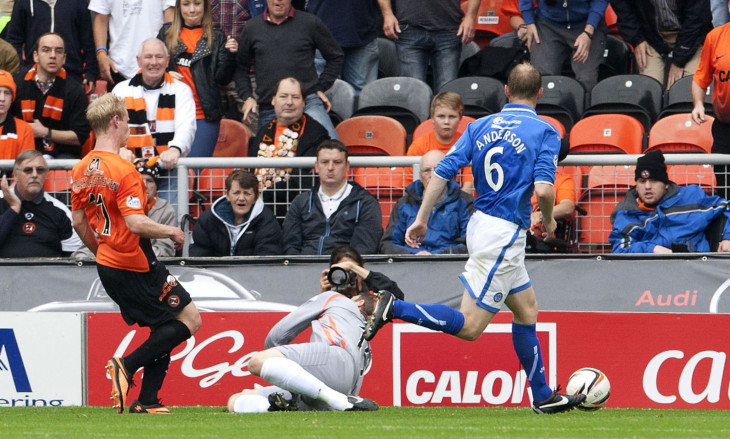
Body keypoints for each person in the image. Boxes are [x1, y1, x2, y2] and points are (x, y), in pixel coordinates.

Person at [363, 63, 586, 414]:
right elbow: (544, 188)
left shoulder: (479, 126)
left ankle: (543, 395)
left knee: (527, 310)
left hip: (480, 222)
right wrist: (548, 221)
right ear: (540, 94)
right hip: (503, 235)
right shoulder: (546, 130)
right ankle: (395, 307)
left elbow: (443, 171)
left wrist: (421, 219)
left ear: (506, 92)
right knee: (469, 327)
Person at [70, 93, 201, 414]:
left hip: (108, 264)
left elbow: (78, 221)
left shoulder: (81, 168)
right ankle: (125, 366)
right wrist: (170, 230)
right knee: (190, 320)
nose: (129, 125)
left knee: (164, 326)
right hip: (135, 262)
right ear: (115, 121)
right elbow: (135, 222)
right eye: (127, 119)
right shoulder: (125, 171)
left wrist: (102, 250)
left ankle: (147, 400)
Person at [227, 245, 398, 413]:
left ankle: (335, 399)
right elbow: (394, 299)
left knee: (257, 362)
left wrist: (279, 363)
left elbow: (276, 337)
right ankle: (273, 407)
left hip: (334, 360)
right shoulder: (366, 332)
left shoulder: (335, 298)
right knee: (236, 400)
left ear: (359, 302)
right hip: (344, 388)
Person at [234, 0, 343, 140]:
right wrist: (247, 97)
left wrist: (320, 87)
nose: (278, 1)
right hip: (270, 106)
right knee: (265, 159)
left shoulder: (310, 23)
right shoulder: (251, 28)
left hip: (307, 102)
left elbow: (335, 57)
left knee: (331, 149)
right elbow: (240, 68)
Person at [112, 38, 196, 210]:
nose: (153, 62)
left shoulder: (181, 90)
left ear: (167, 61)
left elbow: (186, 126)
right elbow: (112, 128)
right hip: (130, 168)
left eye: (159, 57)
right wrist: (118, 148)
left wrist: (176, 149)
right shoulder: (120, 90)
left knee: (170, 219)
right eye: (148, 57)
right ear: (139, 61)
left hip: (168, 168)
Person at [158, 0, 238, 158]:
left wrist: (230, 55)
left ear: (205, 7)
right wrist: (165, 74)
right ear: (179, 7)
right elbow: (152, 66)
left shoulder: (217, 37)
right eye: (186, 4)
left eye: (197, 4)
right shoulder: (166, 33)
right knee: (167, 169)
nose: (192, 10)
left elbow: (223, 79)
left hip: (203, 116)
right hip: (169, 114)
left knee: (193, 173)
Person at [609, 150, 730, 253]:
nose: (647, 187)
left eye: (654, 181)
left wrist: (728, 238)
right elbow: (620, 249)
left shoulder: (692, 197)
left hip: (697, 268)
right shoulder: (626, 213)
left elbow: (727, 207)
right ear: (636, 185)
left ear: (666, 184)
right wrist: (653, 249)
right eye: (642, 181)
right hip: (650, 272)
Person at [282, 139, 382, 256]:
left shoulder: (365, 203)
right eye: (324, 162)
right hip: (303, 269)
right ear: (316, 167)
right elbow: (290, 245)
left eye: (337, 162)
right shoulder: (301, 202)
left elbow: (364, 248)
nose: (330, 167)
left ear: (347, 166)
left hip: (346, 269)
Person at [71, 158, 179, 259]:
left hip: (147, 267)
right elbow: (91, 242)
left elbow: (165, 250)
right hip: (107, 261)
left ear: (157, 187)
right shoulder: (110, 204)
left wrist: (128, 257)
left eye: (150, 181)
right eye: (139, 179)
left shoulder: (166, 211)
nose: (144, 185)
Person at [253, 77, 329, 220]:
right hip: (259, 211)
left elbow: (306, 183)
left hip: (296, 213)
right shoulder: (263, 131)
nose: (289, 102)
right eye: (283, 96)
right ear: (273, 100)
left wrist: (265, 195)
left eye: (295, 97)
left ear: (304, 102)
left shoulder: (316, 134)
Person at [11, 33, 91, 160]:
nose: (53, 56)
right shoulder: (16, 85)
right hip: (21, 151)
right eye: (46, 50)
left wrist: (45, 133)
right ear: (35, 56)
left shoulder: (76, 91)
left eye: (58, 51)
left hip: (62, 155)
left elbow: (80, 136)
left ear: (64, 58)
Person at [380, 150, 474, 255]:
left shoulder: (466, 203)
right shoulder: (404, 204)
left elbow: (470, 244)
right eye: (426, 170)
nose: (433, 174)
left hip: (448, 264)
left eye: (438, 169)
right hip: (411, 265)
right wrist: (413, 255)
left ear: (449, 173)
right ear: (420, 176)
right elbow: (388, 244)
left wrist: (438, 256)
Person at [377, 0, 480, 92]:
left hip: (449, 29)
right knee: (414, 90)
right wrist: (387, 14)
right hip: (409, 28)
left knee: (447, 92)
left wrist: (470, 18)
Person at [611, 0, 712, 90]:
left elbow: (697, 19)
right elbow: (621, 7)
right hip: (651, 37)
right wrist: (637, 39)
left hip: (691, 38)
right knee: (649, 88)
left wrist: (678, 61)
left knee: (689, 88)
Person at [0, 149, 81, 257]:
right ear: (15, 175)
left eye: (40, 170)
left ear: (46, 174)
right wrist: (14, 209)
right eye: (28, 170)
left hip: (49, 273)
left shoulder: (60, 211)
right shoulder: (1, 200)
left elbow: (74, 257)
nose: (34, 175)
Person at [519, 0, 608, 92]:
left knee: (586, 80)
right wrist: (529, 22)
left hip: (586, 23)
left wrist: (589, 32)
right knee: (541, 80)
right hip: (548, 24)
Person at [6, 0, 98, 88]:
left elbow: (88, 41)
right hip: (32, 75)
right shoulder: (23, 2)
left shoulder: (78, 3)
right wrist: (21, 70)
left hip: (72, 75)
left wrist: (91, 71)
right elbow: (14, 40)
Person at [190, 169, 282, 256]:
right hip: (216, 272)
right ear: (227, 196)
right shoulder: (209, 219)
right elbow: (199, 255)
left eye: (247, 193)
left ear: (256, 197)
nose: (241, 198)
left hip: (253, 272)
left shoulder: (266, 220)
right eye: (236, 193)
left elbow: (268, 259)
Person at [89, 0, 175, 90]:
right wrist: (101, 54)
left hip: (155, 65)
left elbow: (169, 22)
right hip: (118, 67)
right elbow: (101, 19)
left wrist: (166, 59)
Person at [691, 5, 730, 199]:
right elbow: (700, 78)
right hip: (725, 127)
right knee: (725, 190)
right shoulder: (715, 37)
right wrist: (698, 104)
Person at [305, 0, 379, 95]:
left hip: (363, 32)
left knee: (364, 96)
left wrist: (388, 14)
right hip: (322, 34)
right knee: (326, 94)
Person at [407, 92, 473, 193]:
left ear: (460, 118)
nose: (446, 121)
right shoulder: (418, 146)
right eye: (441, 116)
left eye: (452, 116)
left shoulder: (467, 144)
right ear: (432, 118)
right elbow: (409, 186)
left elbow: (469, 187)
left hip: (459, 204)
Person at [527, 169, 576, 253]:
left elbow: (568, 207)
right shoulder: (518, 179)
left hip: (543, 240)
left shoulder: (561, 179)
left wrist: (540, 215)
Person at [0, 69, 34, 160]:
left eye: (7, 93)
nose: (2, 98)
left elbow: (27, 168)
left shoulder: (24, 129)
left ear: (12, 98)